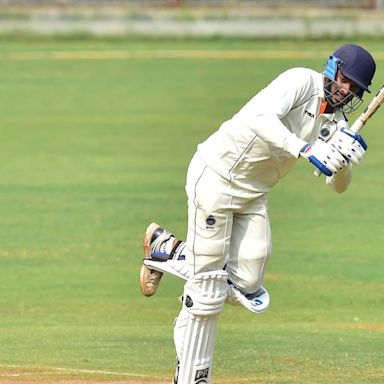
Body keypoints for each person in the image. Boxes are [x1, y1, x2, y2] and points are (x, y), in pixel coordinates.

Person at [139, 44, 376, 383]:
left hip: (254, 195)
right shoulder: (299, 82)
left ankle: (168, 249)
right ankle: (192, 378)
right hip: (218, 176)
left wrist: (343, 163)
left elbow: (337, 186)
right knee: (207, 289)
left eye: (354, 89)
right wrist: (306, 149)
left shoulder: (336, 123)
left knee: (248, 286)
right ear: (332, 68)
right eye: (344, 81)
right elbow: (258, 119)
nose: (345, 91)